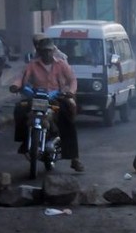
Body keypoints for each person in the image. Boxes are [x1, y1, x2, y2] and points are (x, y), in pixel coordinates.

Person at [11, 38, 84, 172]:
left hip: (55, 97)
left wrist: (70, 92)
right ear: (40, 52)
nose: (47, 54)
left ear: (53, 51)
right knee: (19, 110)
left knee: (67, 119)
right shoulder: (32, 64)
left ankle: (74, 158)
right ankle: (24, 141)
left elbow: (72, 79)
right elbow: (21, 77)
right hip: (37, 97)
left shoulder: (61, 64)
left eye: (49, 51)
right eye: (44, 51)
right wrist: (16, 86)